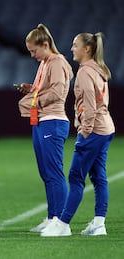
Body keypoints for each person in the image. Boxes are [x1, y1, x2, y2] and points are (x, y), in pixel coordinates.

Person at [41, 32, 115, 237]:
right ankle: (99, 223)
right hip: (106, 128)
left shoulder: (84, 72)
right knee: (99, 176)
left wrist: (85, 132)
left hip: (94, 131)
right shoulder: (99, 69)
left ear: (87, 49)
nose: (72, 48)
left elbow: (90, 108)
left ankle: (63, 223)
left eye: (75, 45)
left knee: (75, 177)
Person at [16, 24, 73, 233]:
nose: (32, 55)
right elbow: (46, 89)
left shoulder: (57, 62)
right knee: (46, 173)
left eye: (33, 50)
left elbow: (57, 94)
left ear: (45, 45)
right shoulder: (45, 62)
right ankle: (52, 218)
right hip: (41, 120)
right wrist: (31, 90)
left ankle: (61, 222)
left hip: (53, 120)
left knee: (54, 173)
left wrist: (33, 100)